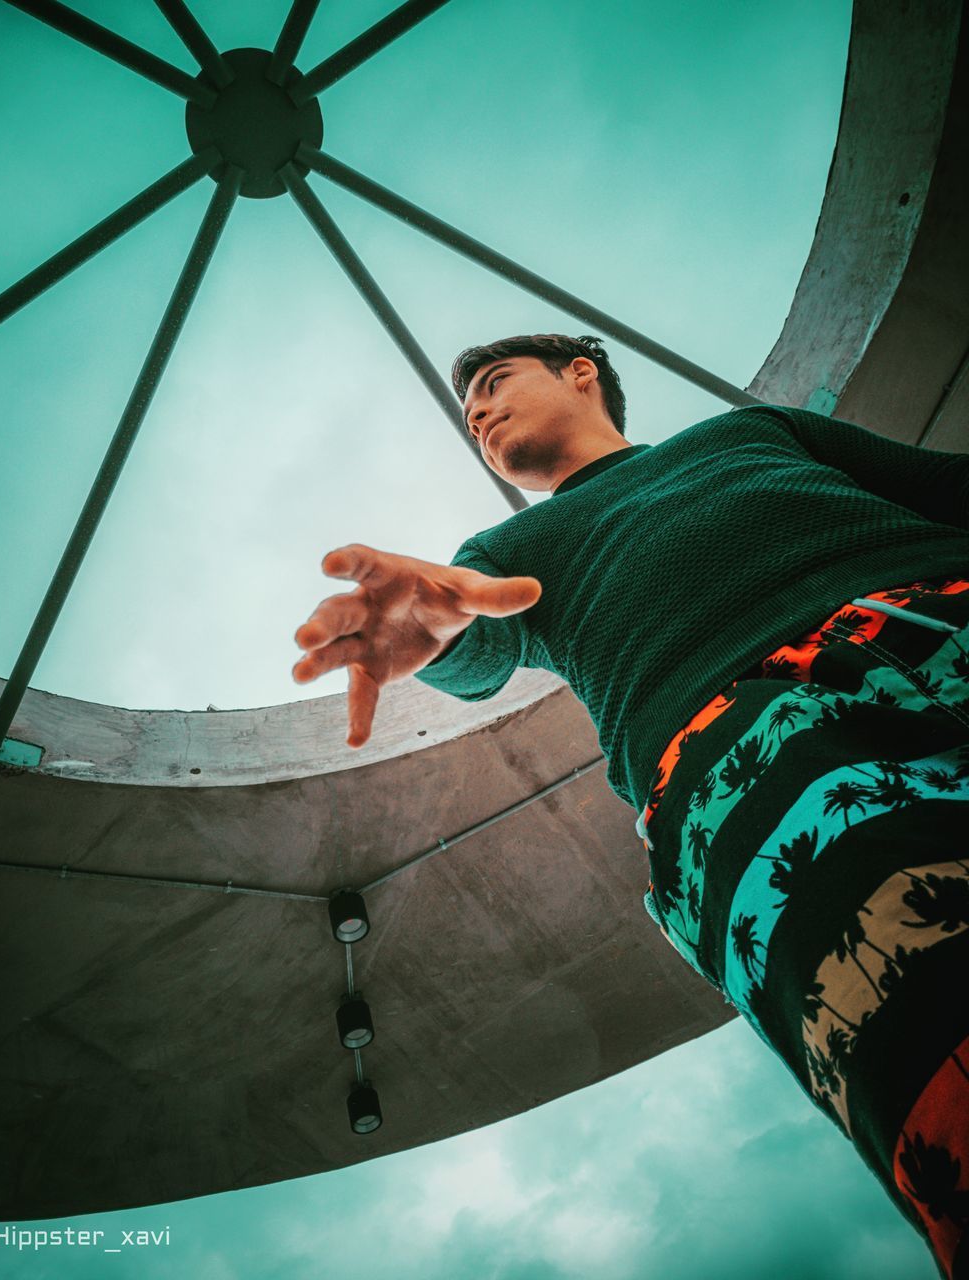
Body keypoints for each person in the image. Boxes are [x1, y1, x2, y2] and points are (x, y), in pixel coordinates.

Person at [293, 333, 969, 1278]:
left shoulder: (749, 431)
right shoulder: (507, 548)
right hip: (749, 766)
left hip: (945, 614)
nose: (478, 415)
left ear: (582, 375)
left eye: (493, 386)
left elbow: (946, 485)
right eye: (468, 413)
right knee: (929, 1027)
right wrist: (429, 624)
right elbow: (484, 648)